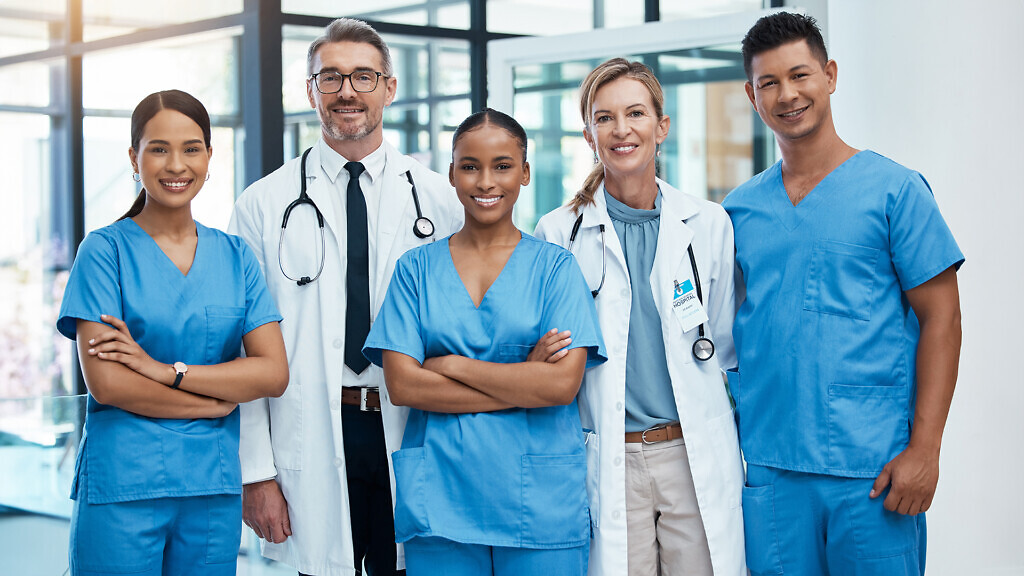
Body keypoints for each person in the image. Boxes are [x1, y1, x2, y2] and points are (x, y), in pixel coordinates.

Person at [722, 12, 964, 576]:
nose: (788, 94)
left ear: (830, 75)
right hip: (771, 471)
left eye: (800, 75)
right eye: (769, 83)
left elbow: (943, 319)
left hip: (874, 471)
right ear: (752, 96)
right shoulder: (737, 211)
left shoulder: (895, 191)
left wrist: (925, 449)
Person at [228, 17, 464, 576]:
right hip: (311, 428)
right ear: (310, 91)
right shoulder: (262, 206)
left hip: (409, 426)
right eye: (330, 78)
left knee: (411, 566)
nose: (347, 92)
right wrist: (256, 472)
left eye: (363, 76)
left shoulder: (441, 199)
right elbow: (239, 350)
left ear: (389, 86)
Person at [361, 108, 605, 576]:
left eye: (502, 166)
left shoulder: (555, 269)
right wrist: (522, 380)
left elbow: (560, 387)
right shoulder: (416, 270)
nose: (485, 181)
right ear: (452, 173)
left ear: (525, 173)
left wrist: (449, 364)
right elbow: (405, 387)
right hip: (442, 499)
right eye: (470, 166)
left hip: (539, 505)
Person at [56, 89, 289, 576]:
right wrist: (213, 403)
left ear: (209, 156)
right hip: (124, 484)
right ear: (134, 158)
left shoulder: (235, 256)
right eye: (158, 148)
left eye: (191, 148)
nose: (176, 164)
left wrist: (165, 371)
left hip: (211, 489)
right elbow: (109, 383)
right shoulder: (103, 253)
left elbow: (271, 372)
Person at [534, 58, 746, 576]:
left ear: (661, 126)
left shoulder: (708, 224)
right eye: (604, 118)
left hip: (690, 453)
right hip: (610, 457)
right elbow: (551, 356)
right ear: (588, 134)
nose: (621, 129)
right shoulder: (557, 233)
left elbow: (718, 343)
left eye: (635, 113)